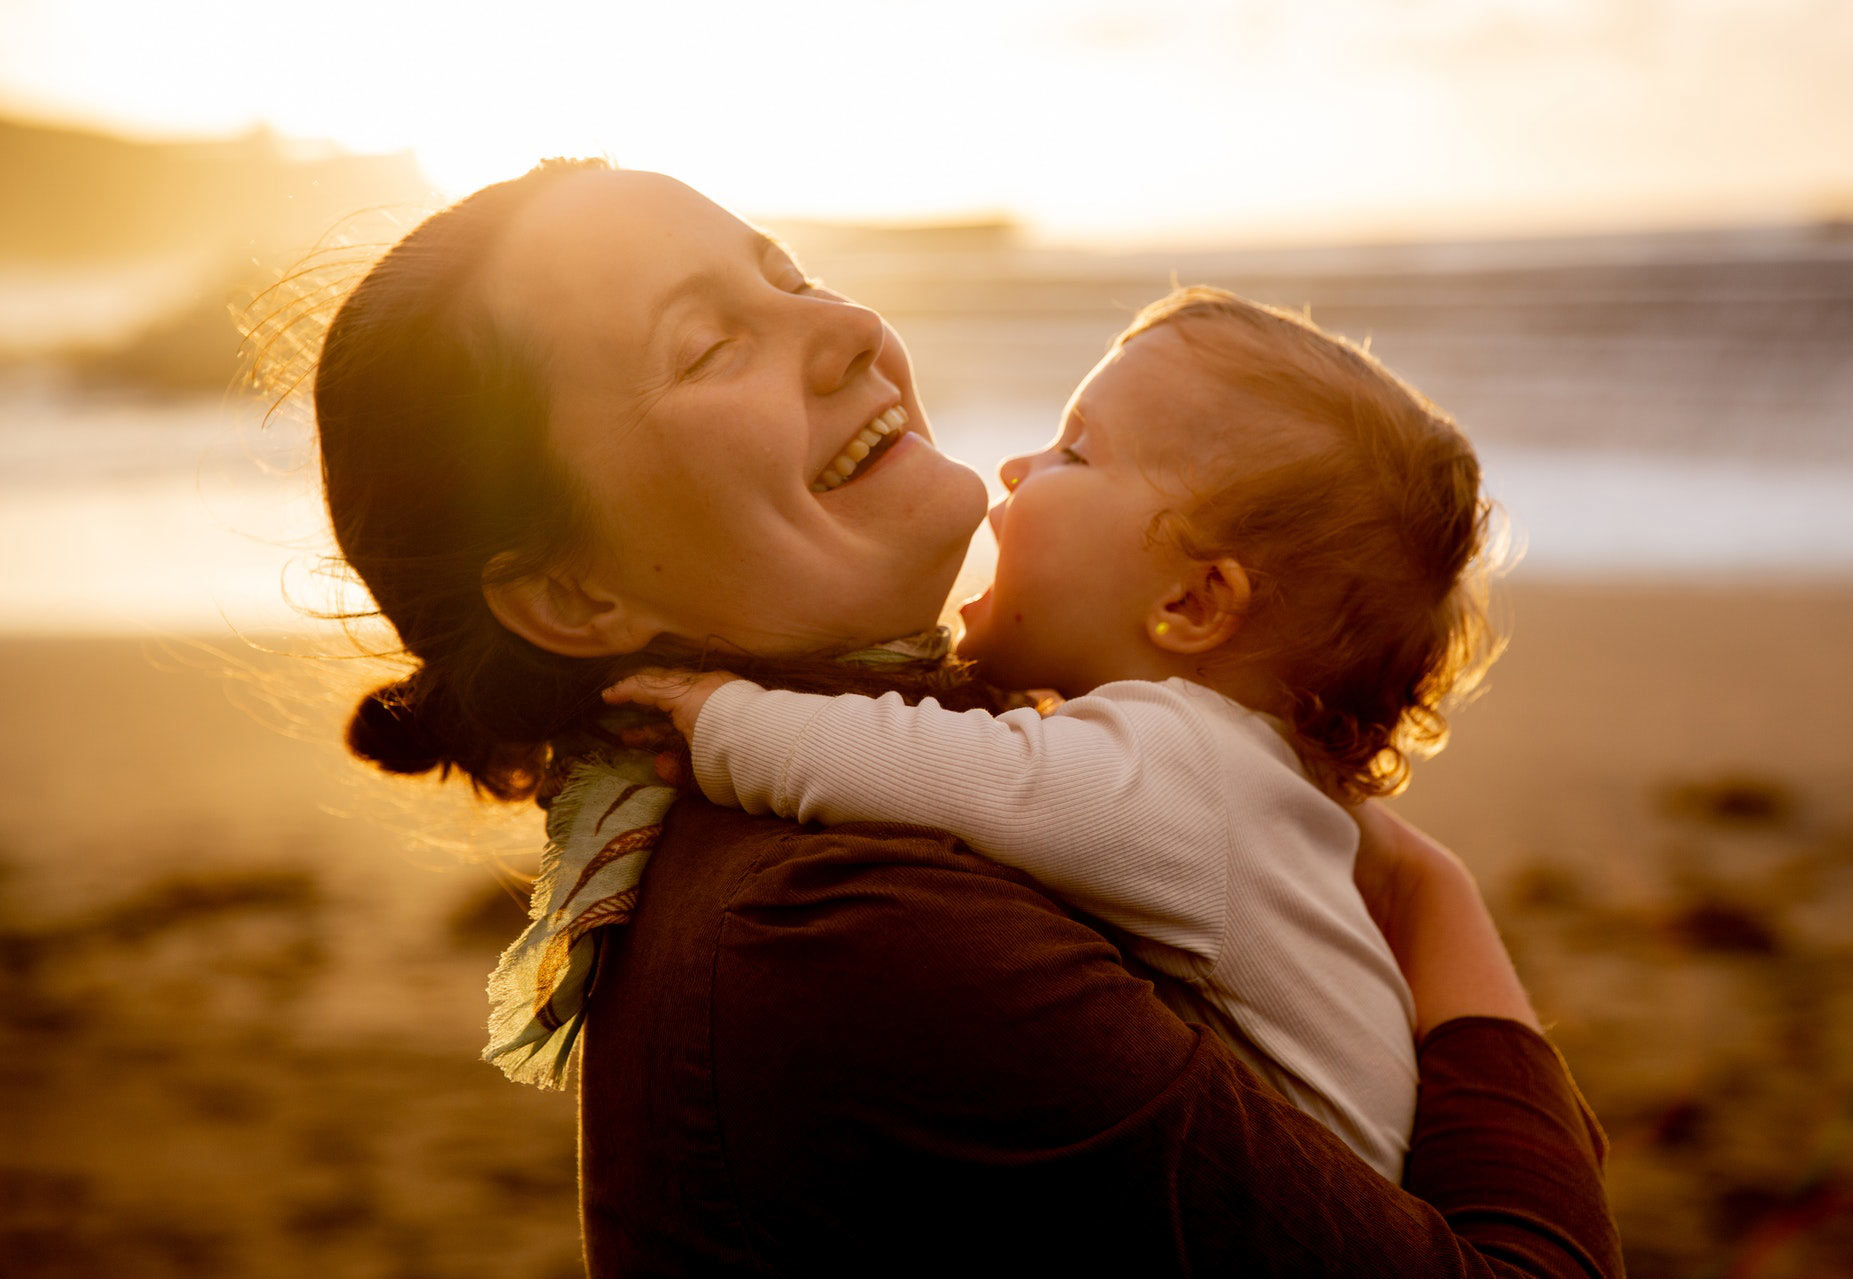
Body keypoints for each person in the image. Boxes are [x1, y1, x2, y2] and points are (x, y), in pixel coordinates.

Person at [312, 157, 1622, 1275]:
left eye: (787, 271)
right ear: (569, 590)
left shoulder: (912, 791)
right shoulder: (845, 925)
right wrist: (1431, 898)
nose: (843, 325)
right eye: (710, 343)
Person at [600, 285, 1501, 1180]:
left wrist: (726, 719)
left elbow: (955, 771)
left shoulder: (1185, 766)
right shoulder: (1242, 783)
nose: (1015, 470)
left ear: (1190, 601)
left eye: (1074, 450)